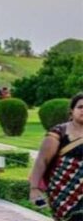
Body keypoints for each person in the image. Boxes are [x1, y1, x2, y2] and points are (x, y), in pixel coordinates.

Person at [29, 92, 83, 221]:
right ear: (71, 111)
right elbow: (42, 161)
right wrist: (34, 188)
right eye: (80, 107)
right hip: (64, 192)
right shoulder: (59, 132)